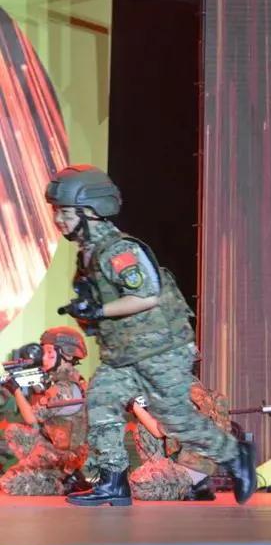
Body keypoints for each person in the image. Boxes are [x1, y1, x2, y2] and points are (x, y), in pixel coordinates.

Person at [46, 164, 256, 506]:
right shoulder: (88, 254)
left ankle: (235, 455)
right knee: (101, 401)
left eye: (65, 212)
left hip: (160, 349)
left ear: (90, 212)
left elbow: (147, 296)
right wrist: (88, 313)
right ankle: (113, 481)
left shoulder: (118, 250)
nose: (58, 220)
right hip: (126, 353)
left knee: (174, 417)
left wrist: (99, 310)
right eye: (57, 212)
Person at [0, 328, 90, 495]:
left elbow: (31, 419)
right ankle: (64, 475)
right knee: (15, 431)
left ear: (67, 355)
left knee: (9, 482)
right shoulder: (73, 381)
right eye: (43, 352)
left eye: (49, 352)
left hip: (64, 455)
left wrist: (15, 389)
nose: (43, 358)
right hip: (63, 447)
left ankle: (64, 484)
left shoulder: (64, 388)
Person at [127, 381, 229, 501]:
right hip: (182, 461)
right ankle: (170, 480)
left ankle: (190, 487)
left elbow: (157, 431)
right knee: (143, 427)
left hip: (193, 468)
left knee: (137, 485)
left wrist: (133, 404)